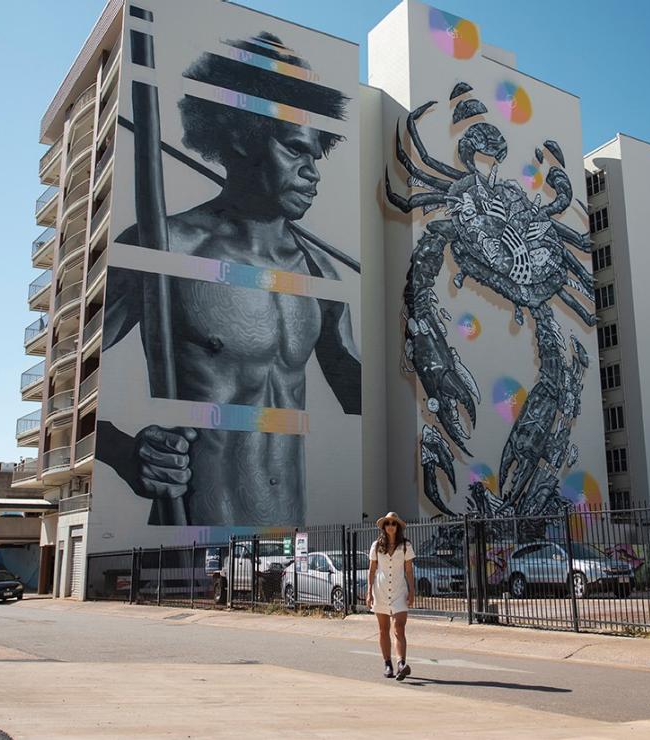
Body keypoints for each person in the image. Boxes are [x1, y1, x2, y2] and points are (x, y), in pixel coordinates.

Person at [95, 33, 361, 526]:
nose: (312, 174)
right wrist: (124, 450)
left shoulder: (320, 275)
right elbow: (68, 385)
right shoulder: (167, 246)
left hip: (288, 541)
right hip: (191, 544)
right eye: (295, 151)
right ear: (241, 134)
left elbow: (365, 400)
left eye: (316, 157)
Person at [366, 511, 416, 680]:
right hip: (380, 590)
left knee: (399, 627)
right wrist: (369, 592)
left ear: (398, 526)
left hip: (399, 591)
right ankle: (388, 663)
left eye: (393, 523)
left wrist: (412, 591)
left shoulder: (406, 545)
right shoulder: (376, 546)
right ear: (383, 526)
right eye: (387, 523)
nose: (390, 526)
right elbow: (372, 570)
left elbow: (409, 570)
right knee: (383, 629)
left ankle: (401, 663)